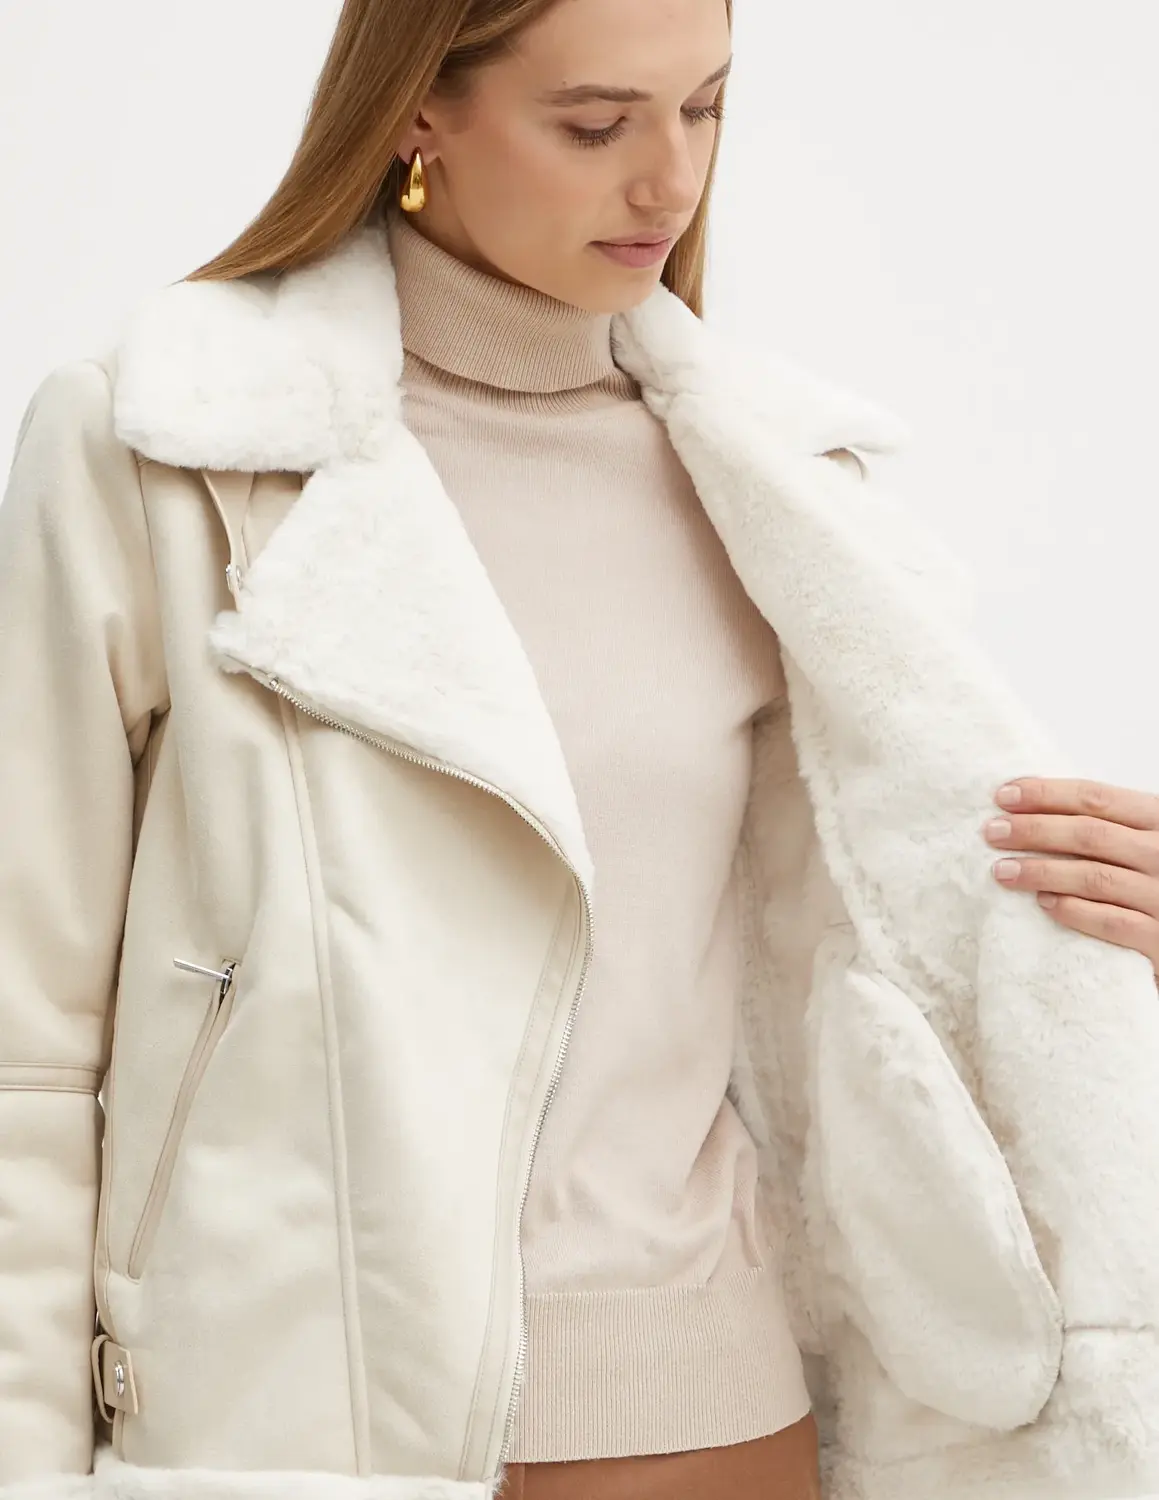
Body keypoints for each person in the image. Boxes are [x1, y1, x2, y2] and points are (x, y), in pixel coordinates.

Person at [3, 0, 1159, 1497]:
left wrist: (1093, 948)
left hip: (721, 1416)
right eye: (597, 123)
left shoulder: (784, 492)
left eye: (706, 107)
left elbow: (888, 976)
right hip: (307, 1433)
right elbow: (29, 1052)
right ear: (417, 108)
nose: (670, 180)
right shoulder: (169, 449)